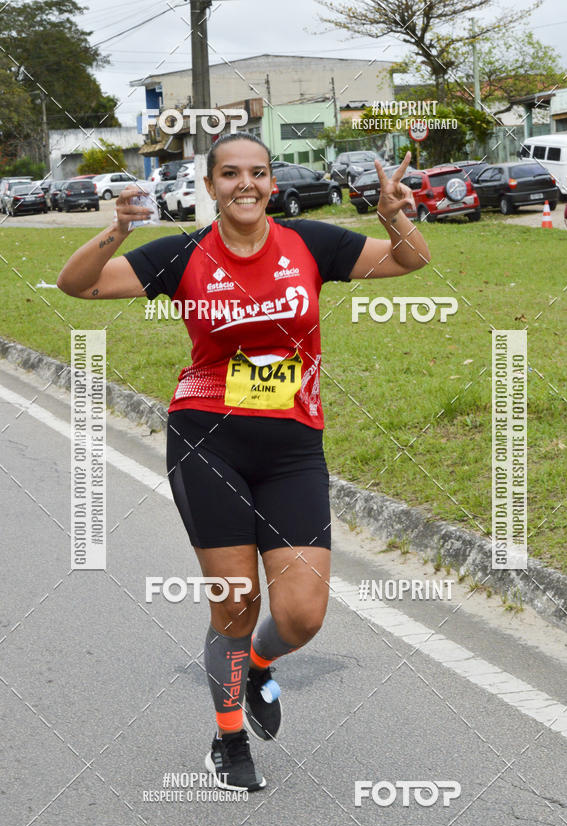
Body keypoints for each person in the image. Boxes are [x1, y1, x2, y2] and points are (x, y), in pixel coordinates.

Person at [57, 134, 431, 792]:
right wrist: (117, 229)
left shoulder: (311, 244)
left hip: (292, 446)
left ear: (273, 183)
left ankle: (259, 664)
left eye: (257, 172)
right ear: (211, 185)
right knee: (234, 603)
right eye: (231, 173)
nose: (246, 184)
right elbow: (78, 285)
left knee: (301, 615)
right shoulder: (182, 254)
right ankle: (228, 739)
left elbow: (410, 261)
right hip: (208, 441)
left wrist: (393, 213)